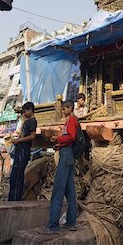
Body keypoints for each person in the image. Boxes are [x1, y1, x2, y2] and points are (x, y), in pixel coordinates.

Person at [46, 100, 79, 233]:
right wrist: (59, 144)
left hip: (66, 156)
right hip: (68, 154)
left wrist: (58, 139)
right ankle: (71, 222)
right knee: (70, 192)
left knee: (58, 190)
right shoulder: (71, 120)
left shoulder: (71, 119)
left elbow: (71, 137)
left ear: (70, 108)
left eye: (64, 109)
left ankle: (53, 224)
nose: (63, 112)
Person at [8, 101, 37, 201]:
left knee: (18, 176)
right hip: (20, 148)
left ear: (30, 110)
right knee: (14, 175)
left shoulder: (33, 121)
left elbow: (32, 136)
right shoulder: (26, 121)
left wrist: (19, 140)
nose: (24, 114)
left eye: (25, 111)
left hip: (24, 149)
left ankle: (15, 199)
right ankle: (12, 198)